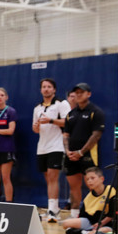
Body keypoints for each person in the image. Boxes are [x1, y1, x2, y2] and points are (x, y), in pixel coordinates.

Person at [63, 83, 105, 219]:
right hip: (71, 156)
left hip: (88, 155)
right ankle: (75, 215)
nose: (79, 95)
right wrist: (67, 151)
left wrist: (81, 152)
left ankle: (95, 215)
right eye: (77, 92)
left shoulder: (95, 112)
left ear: (89, 94)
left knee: (93, 185)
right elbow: (65, 135)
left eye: (82, 92)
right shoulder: (71, 114)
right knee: (74, 187)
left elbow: (96, 135)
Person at [32, 78, 71, 222]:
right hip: (42, 147)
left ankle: (53, 210)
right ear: (41, 90)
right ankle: (53, 208)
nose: (46, 89)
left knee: (53, 176)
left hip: (57, 146)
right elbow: (35, 129)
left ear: (54, 90)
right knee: (48, 178)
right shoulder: (37, 108)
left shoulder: (61, 104)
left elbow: (69, 121)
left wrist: (51, 121)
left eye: (49, 87)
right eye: (44, 87)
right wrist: (36, 127)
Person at [61, 167, 116, 234]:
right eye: (87, 179)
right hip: (91, 223)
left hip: (106, 224)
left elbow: (112, 214)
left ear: (102, 179)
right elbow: (82, 216)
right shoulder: (88, 197)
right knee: (66, 223)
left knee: (96, 233)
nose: (89, 181)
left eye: (92, 178)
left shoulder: (111, 191)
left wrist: (100, 224)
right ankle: (87, 232)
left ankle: (84, 233)